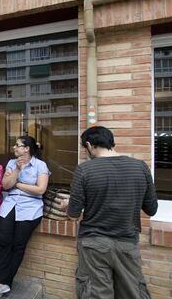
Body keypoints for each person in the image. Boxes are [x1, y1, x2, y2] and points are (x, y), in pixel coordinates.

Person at [64, 126, 158, 299]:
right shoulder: (140, 167)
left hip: (93, 244)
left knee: (96, 294)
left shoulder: (84, 170)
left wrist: (67, 205)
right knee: (132, 293)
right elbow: (152, 209)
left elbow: (74, 214)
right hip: (127, 243)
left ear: (89, 144)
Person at [0, 135, 50, 298]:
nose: (14, 148)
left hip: (30, 208)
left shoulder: (40, 165)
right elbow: (6, 185)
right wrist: (17, 170)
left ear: (27, 148)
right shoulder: (11, 164)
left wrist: (18, 184)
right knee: (2, 242)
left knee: (18, 246)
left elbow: (40, 189)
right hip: (9, 206)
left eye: (17, 145)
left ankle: (5, 282)